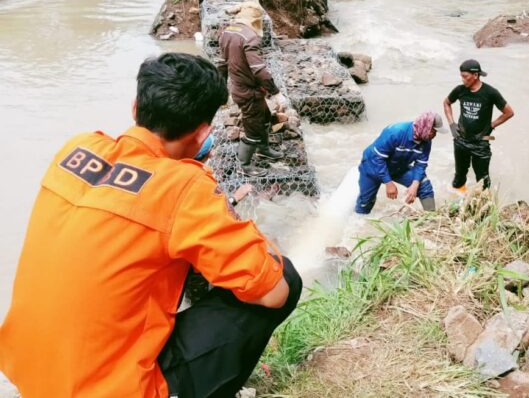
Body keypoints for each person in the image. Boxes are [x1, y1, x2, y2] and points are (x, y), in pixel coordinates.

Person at [0, 53, 302, 397]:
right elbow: (273, 292)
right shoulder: (184, 187)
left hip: (29, 373)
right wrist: (218, 202)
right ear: (204, 132)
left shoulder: (76, 148)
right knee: (286, 278)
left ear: (135, 108)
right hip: (109, 390)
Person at [219, 0, 283, 175]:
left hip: (239, 87)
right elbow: (258, 69)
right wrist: (276, 93)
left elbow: (223, 64)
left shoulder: (227, 32)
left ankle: (264, 150)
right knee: (252, 126)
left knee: (264, 116)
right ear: (256, 20)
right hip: (248, 92)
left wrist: (222, 89)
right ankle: (245, 165)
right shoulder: (251, 37)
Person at [443, 59, 514, 192]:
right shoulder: (460, 90)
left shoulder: (490, 93)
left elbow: (509, 112)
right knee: (459, 178)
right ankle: (458, 203)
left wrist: (492, 125)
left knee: (483, 181)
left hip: (481, 142)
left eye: (465, 77)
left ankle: (482, 209)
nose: (462, 80)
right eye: (461, 76)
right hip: (461, 140)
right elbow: (446, 103)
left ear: (475, 75)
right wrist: (452, 124)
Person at [355, 111, 444, 214]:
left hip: (397, 167)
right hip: (373, 165)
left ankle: (431, 216)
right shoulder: (396, 132)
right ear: (426, 126)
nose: (435, 135)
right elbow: (377, 158)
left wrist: (414, 186)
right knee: (365, 203)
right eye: (433, 131)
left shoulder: (426, 141)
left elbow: (421, 164)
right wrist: (388, 182)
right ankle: (359, 222)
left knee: (424, 185)